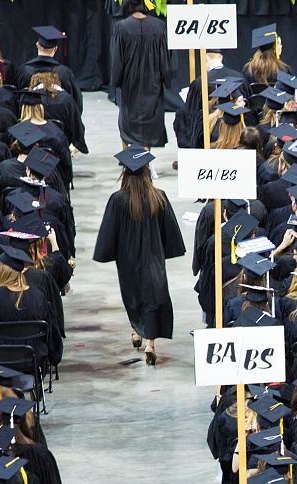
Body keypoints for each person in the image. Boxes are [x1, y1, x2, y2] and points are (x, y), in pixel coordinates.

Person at [92, 146, 185, 365]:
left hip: (128, 259)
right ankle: (150, 343)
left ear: (124, 172)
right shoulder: (158, 197)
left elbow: (109, 233)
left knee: (132, 295)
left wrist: (108, 252)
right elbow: (169, 232)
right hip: (153, 257)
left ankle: (135, 331)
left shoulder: (118, 200)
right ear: (147, 171)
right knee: (151, 299)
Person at [110, 0, 173, 150]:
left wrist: (116, 80)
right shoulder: (159, 26)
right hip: (153, 80)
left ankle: (127, 156)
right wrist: (165, 78)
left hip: (129, 81)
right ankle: (145, 157)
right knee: (149, 116)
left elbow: (116, 60)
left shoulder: (120, 27)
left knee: (127, 116)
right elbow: (166, 58)